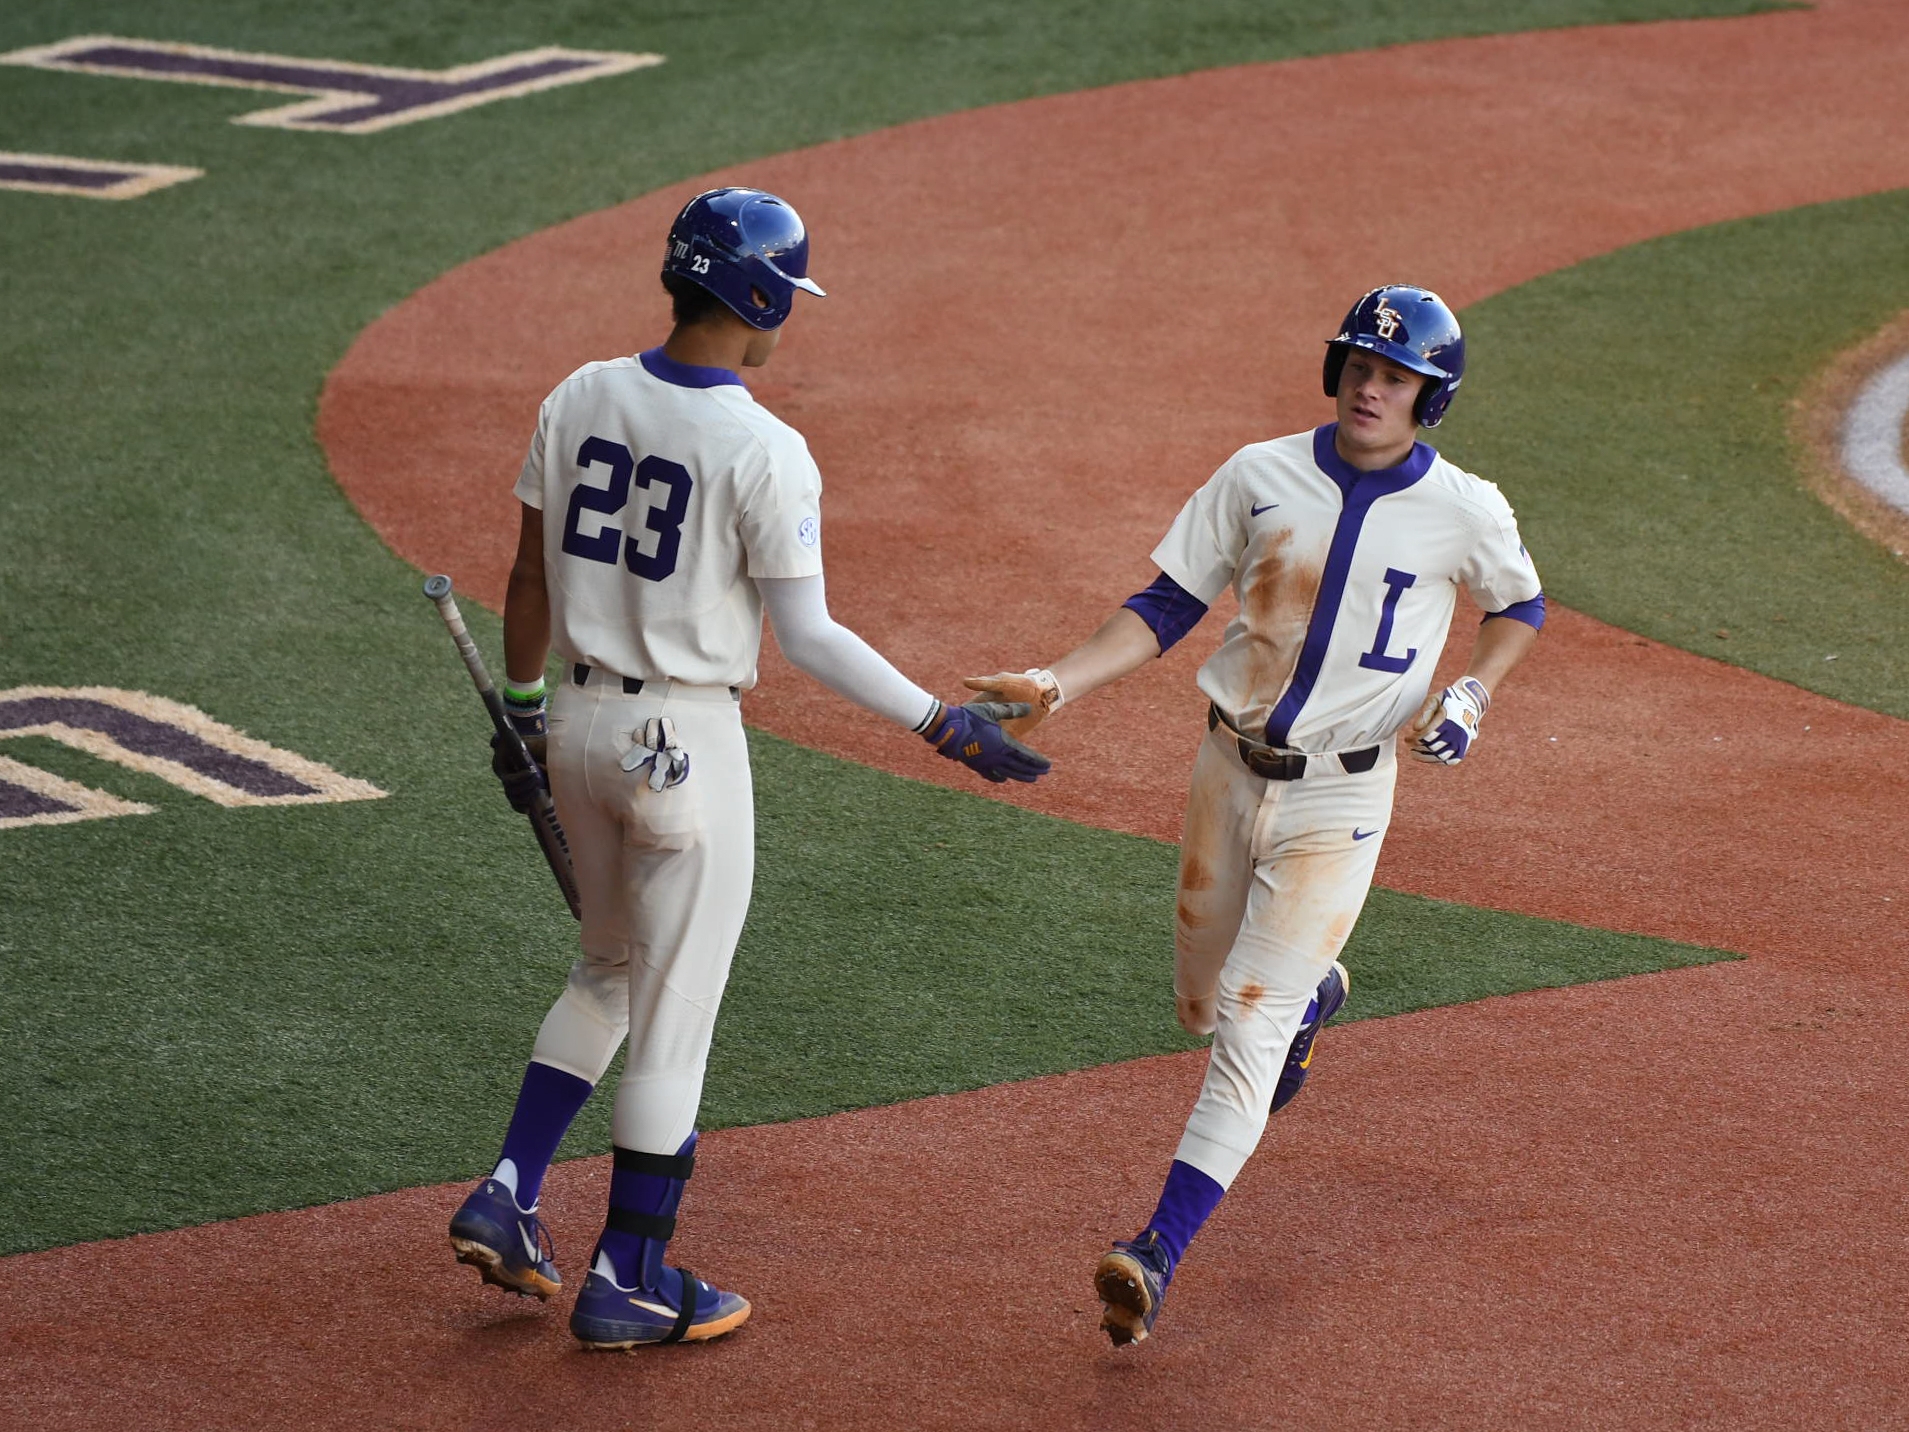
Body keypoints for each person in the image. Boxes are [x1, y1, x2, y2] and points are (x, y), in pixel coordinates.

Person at [447, 186, 1048, 1350]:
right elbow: (810, 635)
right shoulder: (765, 449)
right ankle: (629, 1273)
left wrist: (522, 708)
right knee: (672, 1022)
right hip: (685, 745)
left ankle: (512, 1191)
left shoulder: (579, 393)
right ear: (760, 295)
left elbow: (525, 578)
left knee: (605, 971)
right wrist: (944, 724)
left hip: (573, 718)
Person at [965, 285, 1545, 1345]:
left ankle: (1155, 1250)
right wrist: (1058, 681)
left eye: (1396, 375)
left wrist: (1472, 690)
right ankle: (1314, 992)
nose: (1371, 387)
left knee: (1245, 1024)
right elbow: (1166, 604)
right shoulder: (1259, 473)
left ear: (1432, 395)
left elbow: (1518, 604)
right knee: (1196, 1003)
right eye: (1359, 366)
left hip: (1345, 794)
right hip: (1226, 773)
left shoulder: (1465, 507)